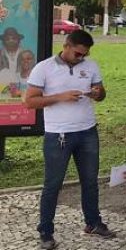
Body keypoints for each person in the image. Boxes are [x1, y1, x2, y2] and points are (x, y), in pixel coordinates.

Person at [25, 30, 114, 249]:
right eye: (77, 54)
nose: (81, 58)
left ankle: (93, 222)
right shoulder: (44, 68)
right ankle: (46, 230)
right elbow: (30, 101)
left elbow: (102, 93)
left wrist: (96, 92)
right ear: (66, 45)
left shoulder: (90, 65)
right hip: (58, 135)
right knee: (53, 184)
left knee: (90, 181)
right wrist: (59, 97)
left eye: (84, 54)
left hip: (87, 132)